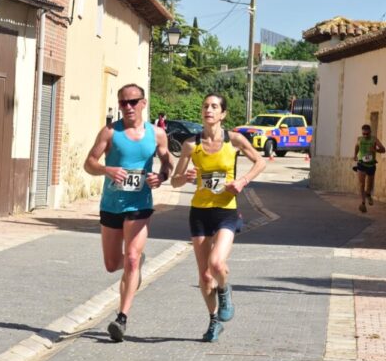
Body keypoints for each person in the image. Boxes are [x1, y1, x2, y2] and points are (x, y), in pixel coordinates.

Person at [171, 93, 266, 342]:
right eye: (205, 106)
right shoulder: (191, 145)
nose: (208, 110)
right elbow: (174, 181)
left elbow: (260, 161)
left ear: (222, 114)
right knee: (204, 276)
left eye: (214, 107)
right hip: (200, 212)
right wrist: (185, 178)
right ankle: (214, 320)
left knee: (217, 264)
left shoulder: (233, 140)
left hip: (226, 211)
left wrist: (243, 181)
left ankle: (224, 289)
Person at [84, 83, 172, 342]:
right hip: (111, 205)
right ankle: (137, 265)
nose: (128, 107)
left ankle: (121, 318)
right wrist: (106, 170)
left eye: (133, 102)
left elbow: (167, 162)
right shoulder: (110, 133)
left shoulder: (156, 134)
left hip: (140, 206)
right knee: (112, 265)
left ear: (144, 103)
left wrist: (162, 176)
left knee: (131, 258)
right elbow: (89, 163)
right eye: (123, 103)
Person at [353, 124, 386, 213]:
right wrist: (355, 155)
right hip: (361, 163)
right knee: (361, 183)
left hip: (371, 164)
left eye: (367, 134)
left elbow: (383, 149)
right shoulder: (360, 139)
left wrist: (375, 150)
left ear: (370, 132)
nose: (365, 136)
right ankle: (363, 203)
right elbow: (356, 146)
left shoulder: (374, 139)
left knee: (370, 185)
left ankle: (368, 194)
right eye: (364, 134)